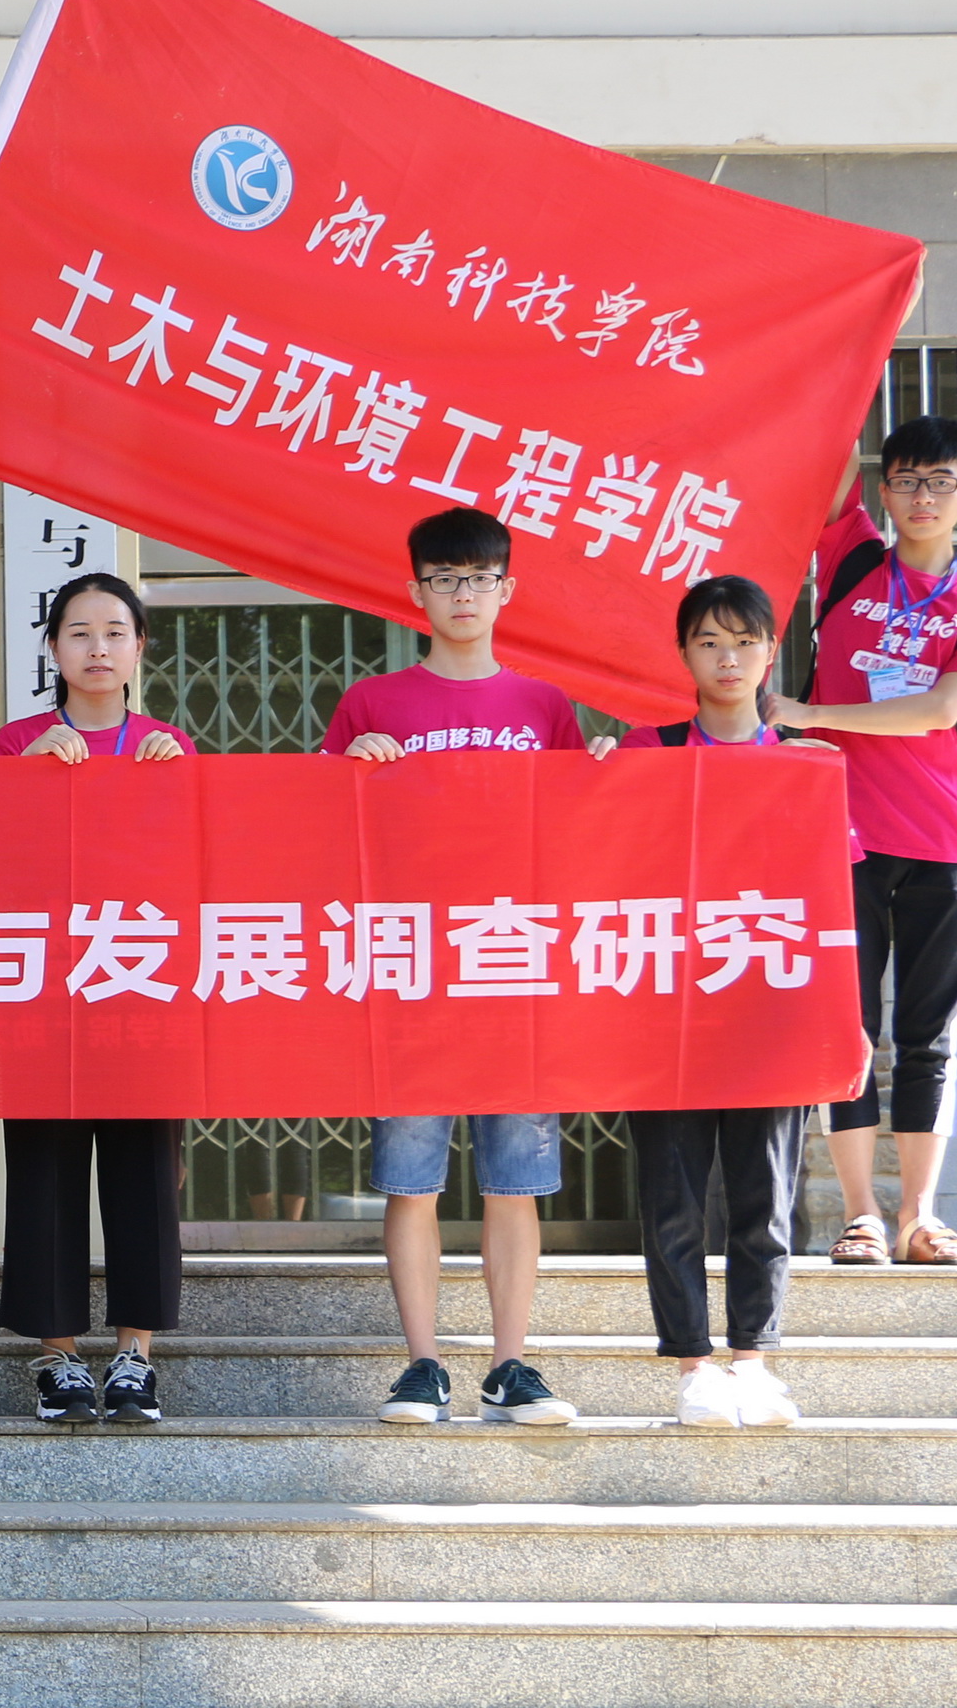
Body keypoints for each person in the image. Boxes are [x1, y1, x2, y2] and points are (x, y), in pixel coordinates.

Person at [325, 507, 589, 1428]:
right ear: (417, 592)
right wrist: (347, 771)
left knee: (515, 1181)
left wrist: (601, 770)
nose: (462, 594)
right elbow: (319, 833)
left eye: (478, 578)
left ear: (507, 590)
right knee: (412, 1178)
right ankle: (423, 1364)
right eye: (444, 579)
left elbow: (581, 834)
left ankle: (510, 1364)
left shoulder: (545, 707)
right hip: (411, 970)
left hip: (514, 965)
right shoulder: (373, 704)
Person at [767, 420, 957, 1271]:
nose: (922, 496)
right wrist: (846, 342)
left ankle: (919, 1216)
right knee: (845, 1030)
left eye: (940, 481)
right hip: (835, 833)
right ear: (883, 492)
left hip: (945, 840)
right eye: (906, 479)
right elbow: (830, 433)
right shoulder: (850, 558)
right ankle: (860, 1216)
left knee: (929, 1037)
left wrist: (809, 714)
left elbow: (940, 710)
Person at [619, 574, 836, 1428]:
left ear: (771, 652)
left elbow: (833, 903)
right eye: (709, 642)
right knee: (672, 1195)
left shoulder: (807, 764)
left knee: (765, 1192)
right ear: (683, 654)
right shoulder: (648, 750)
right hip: (666, 1010)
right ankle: (692, 1366)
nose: (728, 658)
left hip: (770, 1009)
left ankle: (753, 1360)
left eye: (744, 642)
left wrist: (844, 1015)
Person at [0, 572, 195, 1424]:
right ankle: (58, 1357)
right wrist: (25, 778)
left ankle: (135, 1356)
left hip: (140, 986)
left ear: (139, 647)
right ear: (52, 648)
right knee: (44, 1168)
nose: (98, 648)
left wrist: (177, 787)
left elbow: (196, 869)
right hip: (44, 988)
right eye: (79, 633)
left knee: (145, 1170)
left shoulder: (169, 745)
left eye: (115, 632)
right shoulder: (17, 743)